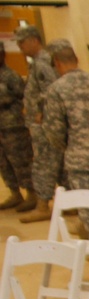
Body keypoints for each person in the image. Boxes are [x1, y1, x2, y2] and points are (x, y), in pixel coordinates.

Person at [43, 40, 89, 240]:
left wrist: (68, 147)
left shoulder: (57, 89)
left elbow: (54, 130)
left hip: (80, 156)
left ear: (57, 63)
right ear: (77, 60)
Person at [15, 25, 58, 223]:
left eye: (22, 42)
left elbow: (50, 90)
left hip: (43, 125)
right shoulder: (40, 63)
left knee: (43, 163)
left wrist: (40, 111)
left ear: (34, 40)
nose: (20, 47)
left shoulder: (42, 63)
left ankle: (43, 206)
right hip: (43, 124)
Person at [0, 42, 35, 212]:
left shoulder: (11, 76)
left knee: (21, 160)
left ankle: (31, 194)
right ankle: (15, 193)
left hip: (13, 126)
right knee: (4, 163)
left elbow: (20, 97)